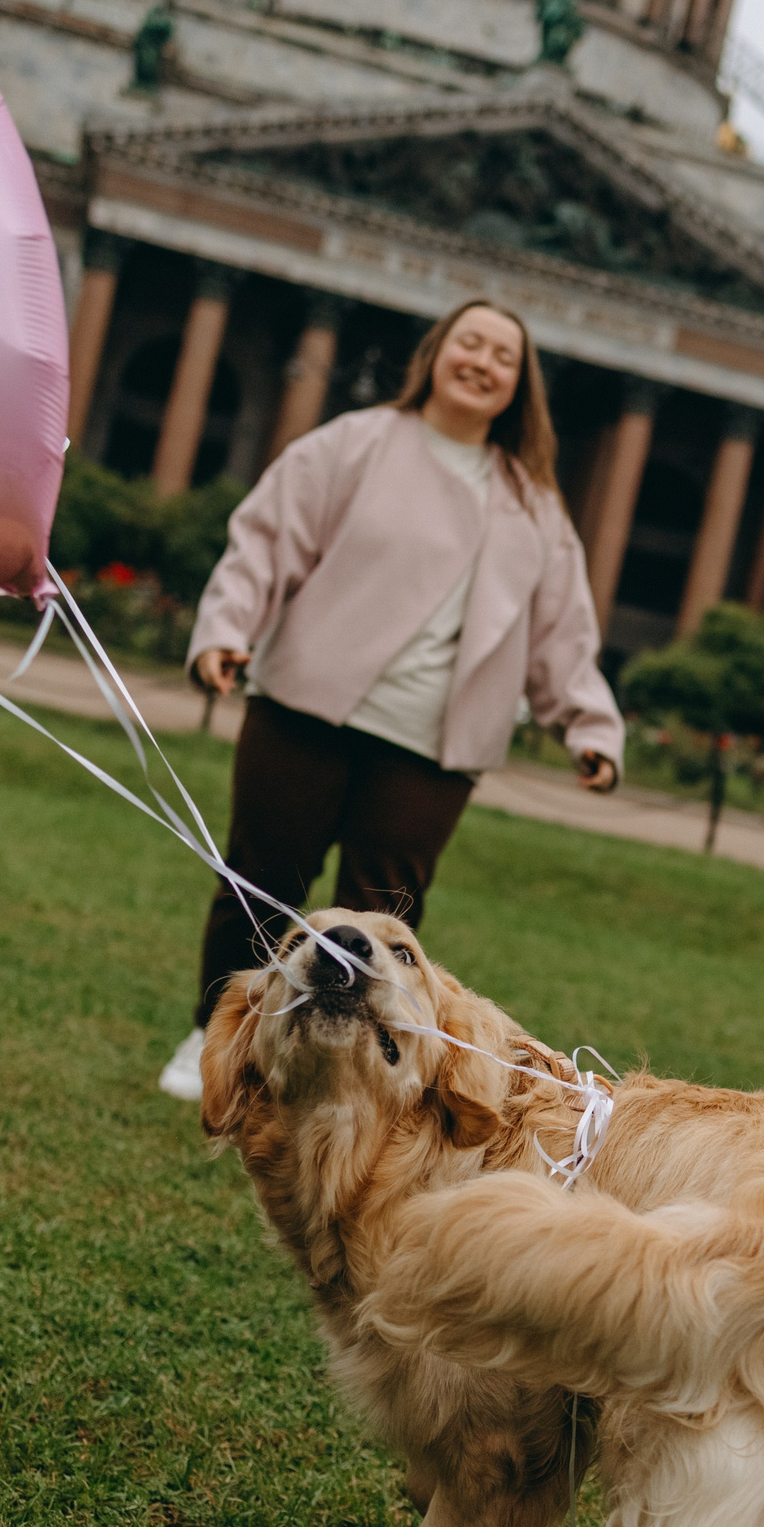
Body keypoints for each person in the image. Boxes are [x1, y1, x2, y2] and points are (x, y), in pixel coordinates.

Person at [158, 298, 625, 1099]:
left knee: (379, 923)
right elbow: (269, 537)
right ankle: (215, 1042)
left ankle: (331, 1067)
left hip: (432, 745)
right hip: (307, 707)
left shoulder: (533, 505)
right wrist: (227, 627)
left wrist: (588, 724)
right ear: (437, 354)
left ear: (519, 386)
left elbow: (562, 629)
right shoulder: (357, 442)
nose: (482, 363)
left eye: (502, 357)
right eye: (468, 343)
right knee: (261, 885)